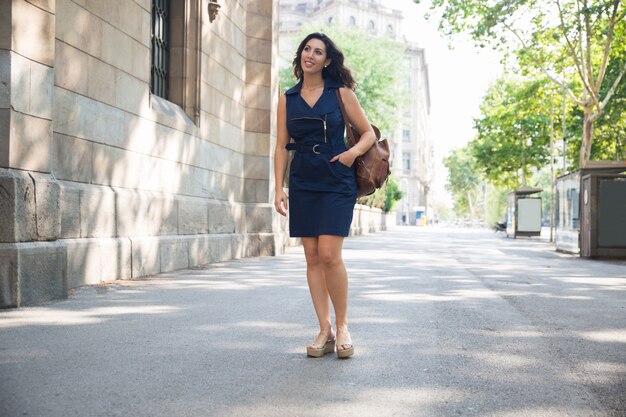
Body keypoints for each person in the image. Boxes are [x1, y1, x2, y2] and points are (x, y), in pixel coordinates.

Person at [273, 33, 376, 358]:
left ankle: (343, 324)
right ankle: (324, 329)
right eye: (307, 49)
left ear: (327, 60)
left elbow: (370, 133)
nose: (311, 55)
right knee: (312, 256)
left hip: (336, 177)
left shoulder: (340, 93)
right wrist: (279, 187)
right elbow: (280, 146)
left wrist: (351, 154)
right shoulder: (287, 98)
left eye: (318, 52)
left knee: (330, 254)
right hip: (303, 178)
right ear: (301, 55)